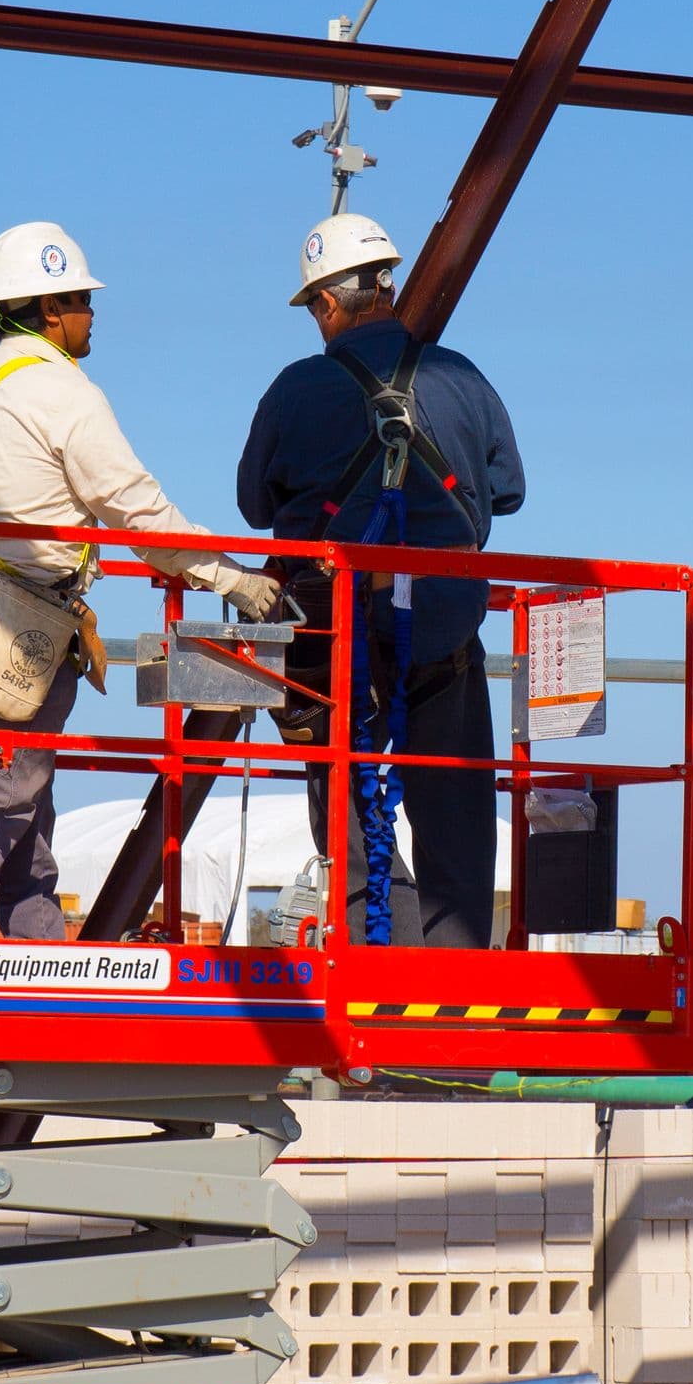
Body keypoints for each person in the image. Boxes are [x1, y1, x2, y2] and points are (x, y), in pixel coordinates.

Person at [0, 222, 282, 939]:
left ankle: (40, 948)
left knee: (24, 792)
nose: (92, 313)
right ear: (50, 309)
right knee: (1, 783)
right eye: (82, 300)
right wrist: (229, 577)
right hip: (19, 620)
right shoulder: (62, 392)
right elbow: (134, 509)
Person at [237, 214, 525, 948]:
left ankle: (381, 973)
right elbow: (508, 490)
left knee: (352, 817)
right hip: (445, 632)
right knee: (457, 821)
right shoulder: (462, 379)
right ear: (386, 288)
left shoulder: (297, 389)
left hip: (341, 642)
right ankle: (454, 993)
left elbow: (255, 505)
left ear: (327, 303)